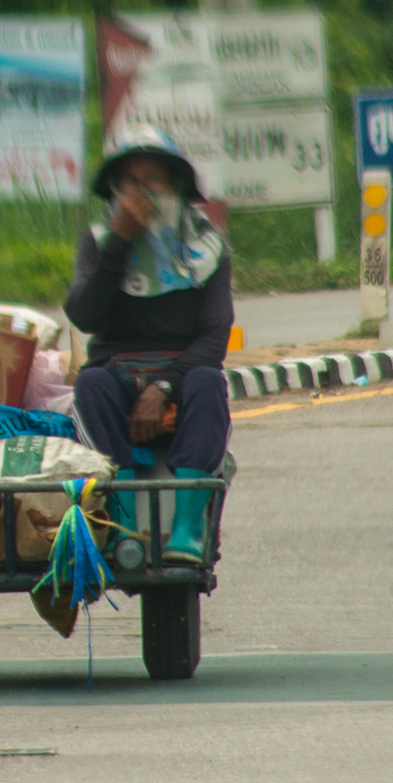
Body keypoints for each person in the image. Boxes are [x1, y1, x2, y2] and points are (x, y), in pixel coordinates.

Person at [63, 124, 231, 564]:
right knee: (91, 384)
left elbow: (215, 335)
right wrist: (119, 243)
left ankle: (188, 528)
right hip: (118, 377)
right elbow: (83, 314)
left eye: (152, 181)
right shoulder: (99, 243)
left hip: (182, 380)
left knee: (209, 383)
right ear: (116, 191)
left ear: (174, 186)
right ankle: (121, 524)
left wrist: (163, 388)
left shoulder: (208, 248)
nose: (142, 194)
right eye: (130, 183)